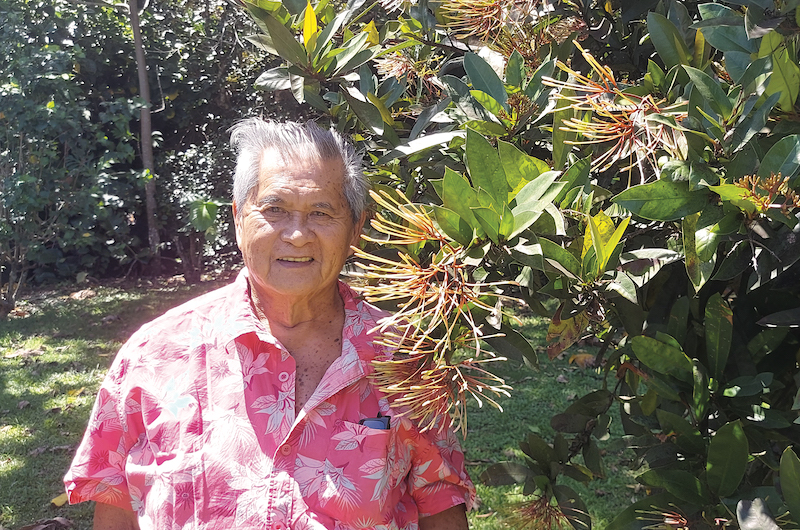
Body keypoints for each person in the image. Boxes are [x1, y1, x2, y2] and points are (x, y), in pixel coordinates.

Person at [63, 119, 475, 530]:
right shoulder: (153, 356)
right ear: (239, 218)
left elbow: (440, 503)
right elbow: (115, 505)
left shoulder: (405, 359)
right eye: (274, 209)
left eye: (321, 212)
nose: (297, 235)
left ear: (355, 229)